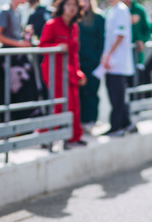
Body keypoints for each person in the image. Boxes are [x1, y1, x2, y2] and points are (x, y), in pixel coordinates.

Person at [39, 0, 87, 147]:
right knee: (58, 104)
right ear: (62, 7)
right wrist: (57, 46)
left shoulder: (74, 27)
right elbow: (42, 46)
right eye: (68, 5)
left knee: (74, 103)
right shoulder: (52, 24)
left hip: (70, 71)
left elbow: (74, 54)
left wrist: (78, 73)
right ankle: (46, 138)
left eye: (74, 5)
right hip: (53, 70)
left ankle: (73, 137)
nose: (71, 8)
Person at [101, 0, 134, 136]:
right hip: (112, 61)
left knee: (117, 95)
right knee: (115, 94)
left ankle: (117, 126)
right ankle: (127, 124)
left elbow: (120, 34)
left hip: (118, 62)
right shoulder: (112, 10)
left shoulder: (121, 9)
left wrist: (108, 54)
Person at [78, 0, 104, 132]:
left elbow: (102, 41)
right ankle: (81, 120)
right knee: (79, 93)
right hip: (79, 62)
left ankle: (91, 120)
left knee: (92, 92)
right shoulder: (76, 18)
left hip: (93, 62)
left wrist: (99, 60)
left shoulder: (98, 18)